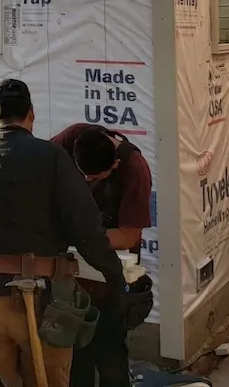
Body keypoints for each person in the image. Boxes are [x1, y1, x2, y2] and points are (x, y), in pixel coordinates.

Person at [0, 79, 128, 387]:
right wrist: (116, 278)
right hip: (43, 302)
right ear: (31, 115)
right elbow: (86, 229)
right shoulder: (53, 157)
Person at [50, 124, 154, 387]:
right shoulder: (70, 139)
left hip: (112, 268)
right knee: (75, 344)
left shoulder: (135, 170)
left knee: (110, 344)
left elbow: (128, 236)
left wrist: (80, 234)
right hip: (73, 268)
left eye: (94, 177)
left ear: (114, 165)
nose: (87, 181)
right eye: (83, 174)